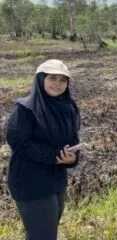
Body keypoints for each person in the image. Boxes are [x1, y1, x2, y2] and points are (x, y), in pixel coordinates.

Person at [6, 59, 81, 240]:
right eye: (52, 78)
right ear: (40, 80)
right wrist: (54, 157)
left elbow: (73, 140)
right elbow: (19, 143)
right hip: (30, 181)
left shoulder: (68, 108)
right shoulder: (25, 109)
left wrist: (73, 158)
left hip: (56, 180)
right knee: (44, 236)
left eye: (63, 80)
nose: (57, 84)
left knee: (44, 233)